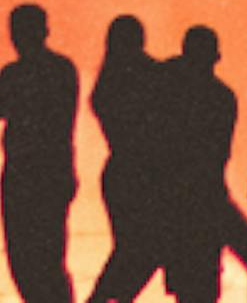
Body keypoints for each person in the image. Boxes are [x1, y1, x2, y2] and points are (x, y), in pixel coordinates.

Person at [0, 2, 83, 303]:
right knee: (47, 258)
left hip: (29, 173)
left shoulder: (17, 74)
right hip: (52, 171)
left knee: (28, 259)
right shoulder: (62, 69)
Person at [154, 25, 243, 303]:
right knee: (202, 277)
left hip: (179, 193)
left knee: (186, 278)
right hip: (207, 191)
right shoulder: (222, 97)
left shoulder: (171, 90)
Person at [86, 16, 163, 303]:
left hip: (120, 171)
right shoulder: (150, 75)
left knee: (132, 248)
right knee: (144, 247)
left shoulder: (106, 82)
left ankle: (106, 298)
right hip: (144, 173)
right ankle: (106, 298)